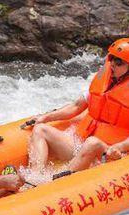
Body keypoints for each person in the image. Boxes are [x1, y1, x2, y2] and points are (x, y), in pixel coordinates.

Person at [29, 38, 129, 172]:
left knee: (92, 142)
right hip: (83, 144)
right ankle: (34, 178)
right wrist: (45, 117)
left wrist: (119, 147)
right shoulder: (104, 80)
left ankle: (56, 185)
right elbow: (76, 106)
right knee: (40, 129)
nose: (112, 64)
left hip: (109, 152)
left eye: (118, 62)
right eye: (111, 58)